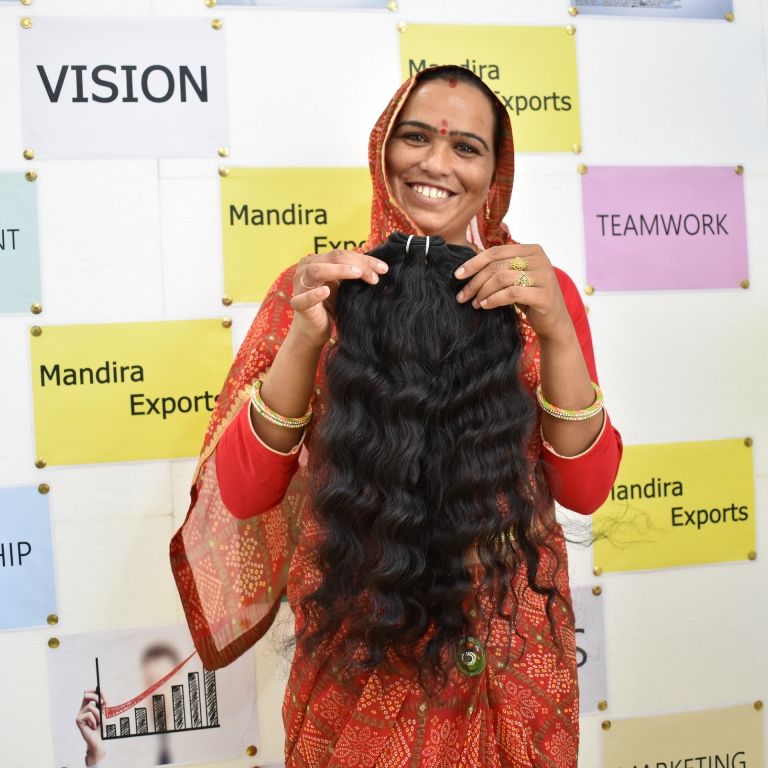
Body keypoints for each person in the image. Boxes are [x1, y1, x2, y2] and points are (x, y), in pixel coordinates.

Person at [170, 64, 622, 767]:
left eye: (466, 147)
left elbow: (586, 490)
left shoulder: (538, 292)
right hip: (362, 631)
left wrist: (558, 330)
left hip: (506, 637)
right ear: (383, 151)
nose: (436, 163)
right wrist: (307, 337)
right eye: (416, 138)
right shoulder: (321, 289)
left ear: (495, 173)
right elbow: (246, 492)